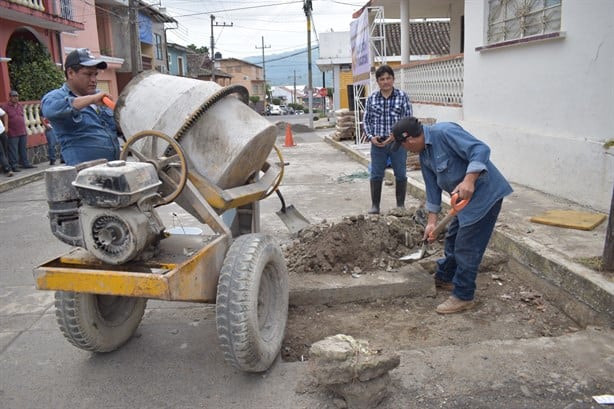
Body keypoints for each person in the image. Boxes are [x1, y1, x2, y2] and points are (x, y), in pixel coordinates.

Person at [391, 116, 513, 314]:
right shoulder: (424, 155)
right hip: (463, 203)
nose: (405, 150)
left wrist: (469, 180)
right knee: (452, 239)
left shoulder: (445, 132)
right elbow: (432, 191)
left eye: (403, 146)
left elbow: (480, 149)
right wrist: (432, 223)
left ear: (409, 140)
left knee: (467, 246)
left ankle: (464, 296)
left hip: (485, 195)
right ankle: (446, 277)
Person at [41, 48, 120, 166]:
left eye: (95, 74)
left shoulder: (100, 97)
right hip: (84, 175)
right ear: (71, 73)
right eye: (88, 74)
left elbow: (116, 127)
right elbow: (50, 110)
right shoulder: (55, 97)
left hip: (113, 169)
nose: (94, 80)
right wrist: (91, 99)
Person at [362, 64, 413, 214]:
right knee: (376, 174)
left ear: (393, 79)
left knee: (401, 173)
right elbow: (366, 121)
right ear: (377, 81)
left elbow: (408, 120)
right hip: (378, 144)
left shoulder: (402, 97)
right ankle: (375, 206)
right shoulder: (372, 99)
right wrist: (371, 137)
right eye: (382, 79)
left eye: (388, 78)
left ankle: (400, 206)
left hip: (398, 143)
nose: (385, 81)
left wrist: (395, 136)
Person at [2, 90, 35, 171]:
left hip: (22, 130)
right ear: (10, 97)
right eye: (13, 96)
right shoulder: (5, 107)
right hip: (12, 132)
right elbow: (3, 118)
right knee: (13, 149)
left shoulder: (19, 105)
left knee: (22, 148)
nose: (16, 97)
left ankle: (25, 163)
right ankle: (14, 165)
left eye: (16, 96)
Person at [0, 107, 14, 177]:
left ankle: (5, 167)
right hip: (2, 132)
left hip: (2, 131)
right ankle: (7, 169)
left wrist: (6, 126)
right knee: (1, 153)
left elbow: (5, 114)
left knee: (5, 151)